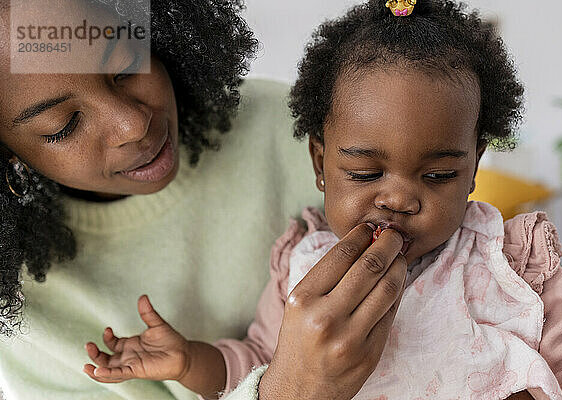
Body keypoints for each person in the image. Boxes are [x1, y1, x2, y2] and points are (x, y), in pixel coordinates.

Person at [82, 0, 562, 399]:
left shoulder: (510, 259)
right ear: (319, 165)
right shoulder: (301, 268)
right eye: (364, 172)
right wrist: (190, 360)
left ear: (473, 169)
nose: (398, 197)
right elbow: (265, 363)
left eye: (439, 174)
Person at [0, 0, 332, 399]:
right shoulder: (33, 325)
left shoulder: (291, 125)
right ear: (8, 155)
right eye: (64, 126)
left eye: (126, 66)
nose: (133, 124)